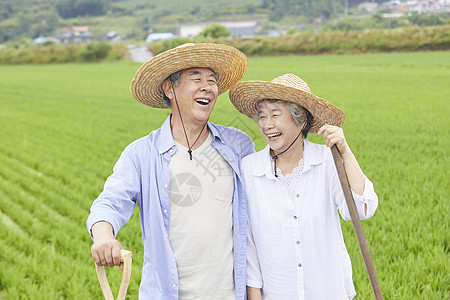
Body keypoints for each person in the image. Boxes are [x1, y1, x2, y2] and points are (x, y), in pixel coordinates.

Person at [87, 43, 254, 299]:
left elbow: (268, 200)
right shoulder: (142, 154)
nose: (207, 86)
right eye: (195, 78)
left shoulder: (238, 145)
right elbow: (109, 202)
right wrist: (103, 237)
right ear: (170, 88)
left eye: (212, 80)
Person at [229, 73, 379, 300]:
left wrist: (345, 153)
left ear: (301, 120)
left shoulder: (327, 161)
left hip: (329, 292)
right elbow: (248, 246)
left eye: (275, 115)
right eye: (262, 116)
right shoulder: (249, 169)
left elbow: (362, 209)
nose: (267, 125)